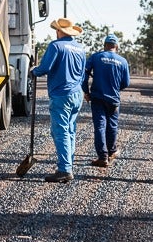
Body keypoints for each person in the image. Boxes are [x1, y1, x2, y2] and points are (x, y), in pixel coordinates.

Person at [32, 17, 86, 183]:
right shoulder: (80, 49)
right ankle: (68, 164)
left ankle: (64, 169)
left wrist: (33, 71)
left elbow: (45, 68)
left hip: (62, 94)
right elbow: (83, 74)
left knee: (60, 131)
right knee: (70, 130)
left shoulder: (56, 46)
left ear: (59, 31)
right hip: (77, 93)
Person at [82, 34, 130, 167]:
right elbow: (126, 82)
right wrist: (114, 88)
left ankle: (102, 157)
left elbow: (83, 75)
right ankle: (111, 152)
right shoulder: (123, 61)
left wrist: (86, 91)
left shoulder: (96, 57)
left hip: (97, 97)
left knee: (100, 126)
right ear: (117, 47)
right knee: (112, 125)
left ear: (104, 45)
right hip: (114, 99)